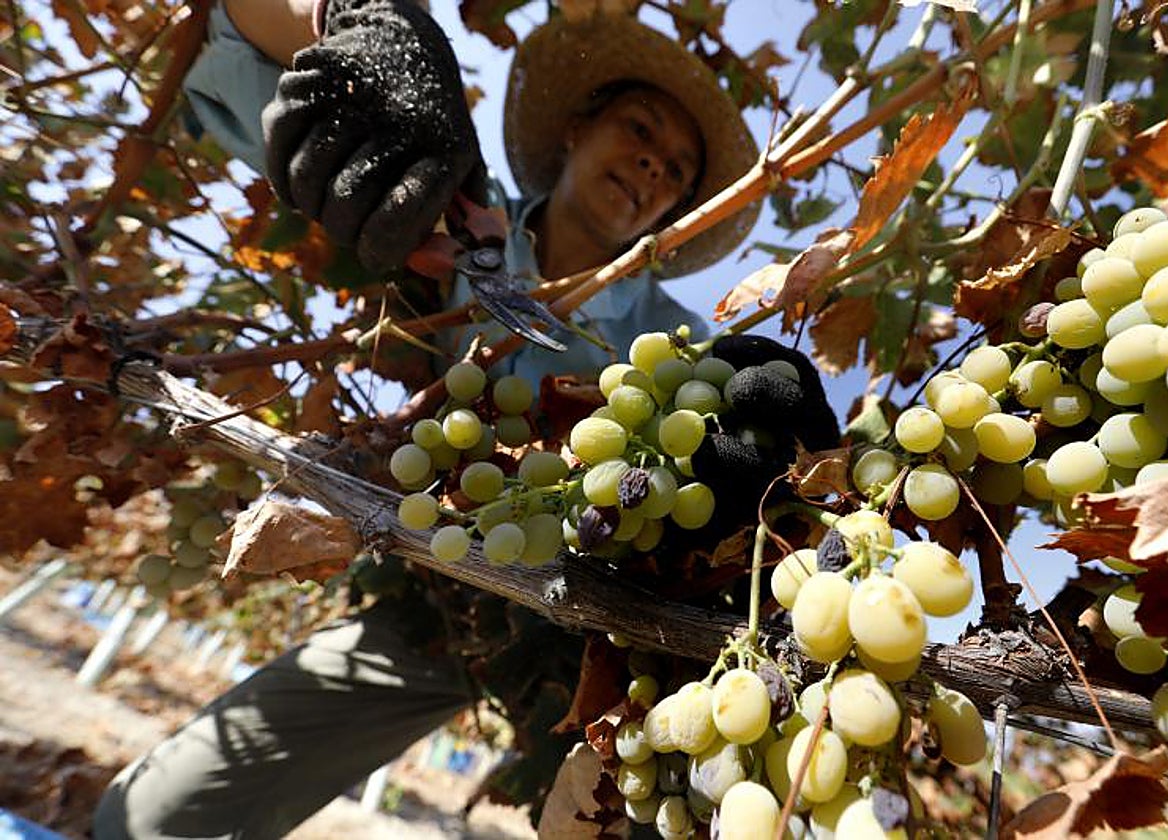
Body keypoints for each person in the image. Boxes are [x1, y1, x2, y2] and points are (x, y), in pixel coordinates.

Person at [93, 2, 760, 836]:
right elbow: (232, 34)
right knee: (147, 818)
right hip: (434, 592)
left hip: (594, 646)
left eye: (676, 172)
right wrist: (358, 17)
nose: (653, 166)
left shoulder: (681, 350)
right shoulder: (442, 197)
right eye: (640, 129)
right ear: (577, 129)